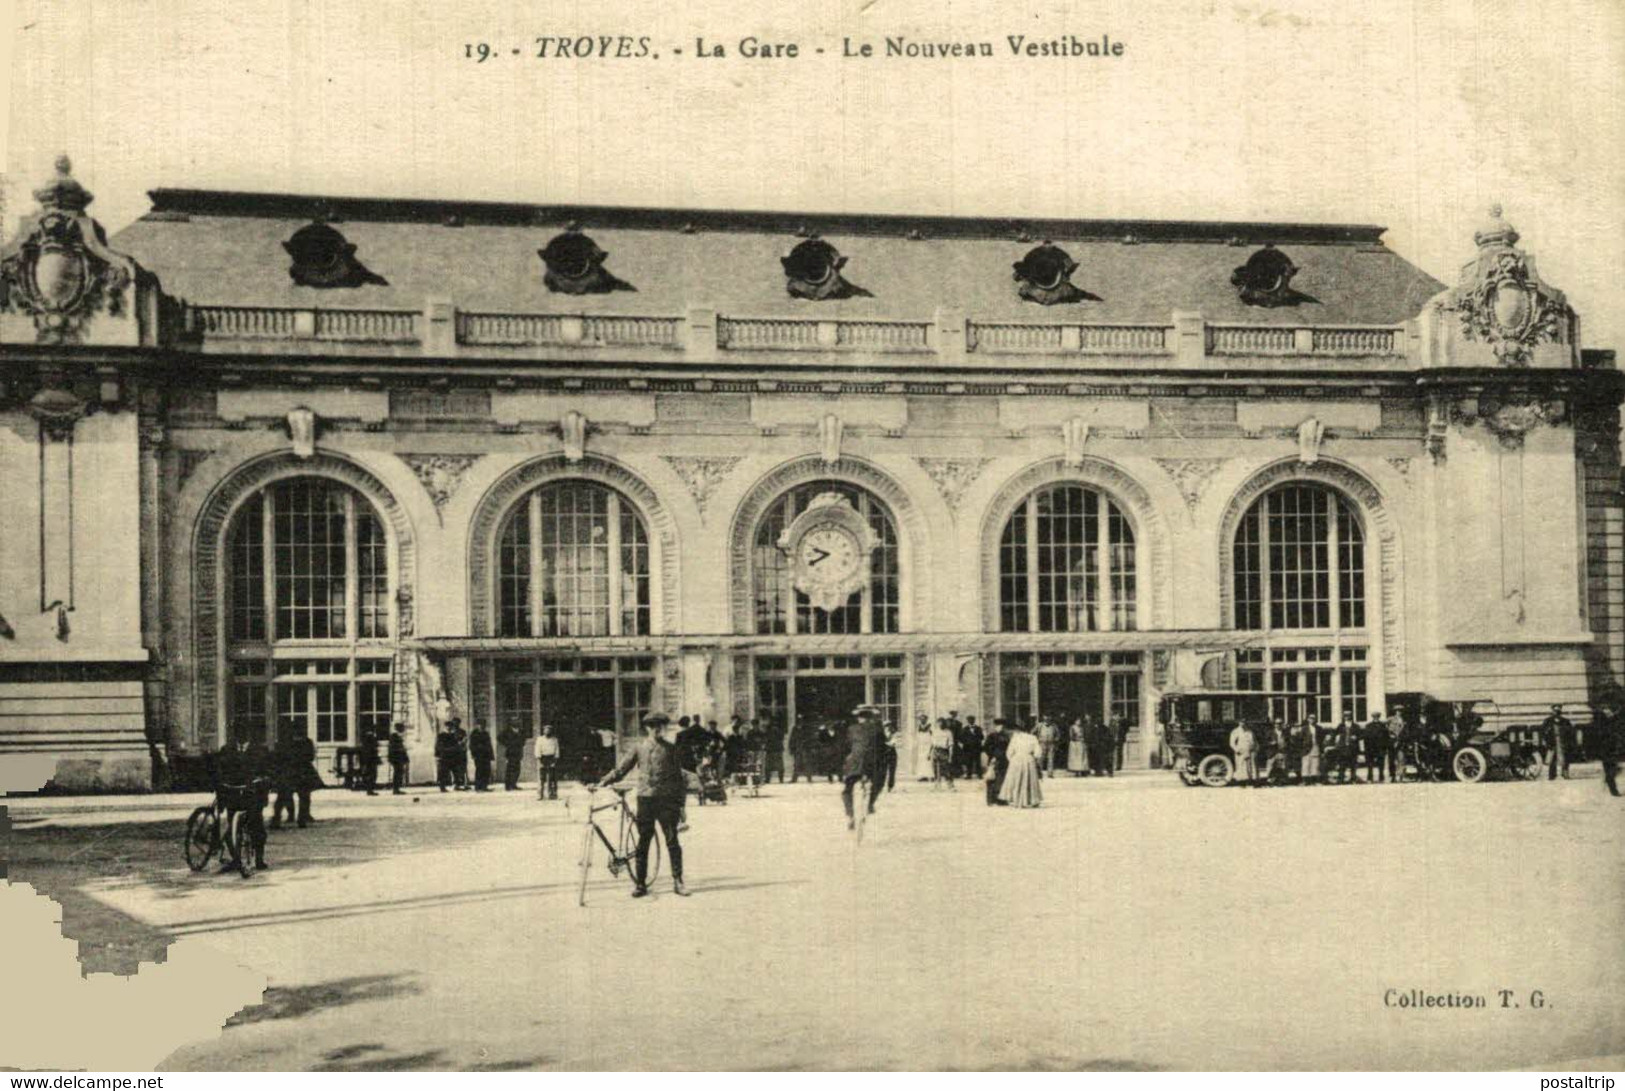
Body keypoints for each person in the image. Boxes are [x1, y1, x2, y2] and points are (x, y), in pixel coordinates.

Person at [597, 712, 688, 898]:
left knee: (672, 841)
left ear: (663, 728)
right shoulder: (639, 748)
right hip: (646, 799)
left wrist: (681, 806)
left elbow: (679, 779)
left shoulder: (671, 749)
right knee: (643, 842)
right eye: (653, 725)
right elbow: (621, 769)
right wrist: (602, 782)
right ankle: (640, 884)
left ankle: (678, 881)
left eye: (660, 725)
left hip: (667, 800)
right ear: (647, 728)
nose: (656, 729)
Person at [215, 731, 270, 873]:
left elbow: (268, 771)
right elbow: (220, 771)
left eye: (243, 731)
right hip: (233, 794)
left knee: (256, 826)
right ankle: (236, 859)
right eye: (237, 732)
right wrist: (221, 790)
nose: (240, 736)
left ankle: (259, 859)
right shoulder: (226, 750)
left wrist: (264, 780)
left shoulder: (260, 750)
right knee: (232, 829)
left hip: (253, 794)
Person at [839, 705, 888, 829]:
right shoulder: (877, 729)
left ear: (859, 718)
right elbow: (883, 747)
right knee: (879, 783)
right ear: (870, 717)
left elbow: (846, 746)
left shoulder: (852, 729)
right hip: (872, 764)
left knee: (846, 790)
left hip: (855, 765)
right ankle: (871, 803)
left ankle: (850, 815)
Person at [271, 726, 318, 826]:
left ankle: (278, 818)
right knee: (304, 796)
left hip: (288, 772)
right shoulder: (307, 742)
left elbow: (276, 758)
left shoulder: (283, 742)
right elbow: (311, 757)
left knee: (283, 796)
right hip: (303, 772)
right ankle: (302, 818)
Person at [998, 721, 1044, 808]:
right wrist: (1034, 758)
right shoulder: (1033, 738)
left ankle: (1015, 799)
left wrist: (1012, 760)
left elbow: (1009, 752)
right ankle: (1031, 800)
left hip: (1017, 759)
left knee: (1016, 780)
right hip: (1028, 759)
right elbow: (1038, 752)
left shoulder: (1015, 738)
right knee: (1029, 780)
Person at [983, 719, 1012, 807]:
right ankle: (990, 800)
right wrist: (992, 756)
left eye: (1002, 726)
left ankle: (1000, 799)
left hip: (1004, 760)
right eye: (998, 726)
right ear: (995, 726)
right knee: (991, 779)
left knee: (1002, 780)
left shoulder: (1007, 736)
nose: (1001, 728)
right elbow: (985, 747)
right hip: (994, 760)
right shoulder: (991, 736)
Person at [1542, 704, 1573, 780]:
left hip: (1562, 741)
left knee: (1565, 758)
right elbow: (1543, 732)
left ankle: (1565, 773)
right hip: (1552, 741)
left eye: (1558, 711)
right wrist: (1546, 741)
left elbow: (1570, 732)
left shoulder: (1566, 721)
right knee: (1552, 758)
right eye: (1555, 711)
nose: (1557, 712)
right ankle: (1552, 774)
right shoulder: (1547, 721)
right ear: (1552, 711)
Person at [1363, 710, 1393, 784]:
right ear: (1372, 717)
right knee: (1370, 764)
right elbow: (1366, 738)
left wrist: (1386, 747)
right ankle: (1370, 778)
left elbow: (1386, 738)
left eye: (1377, 717)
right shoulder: (1368, 726)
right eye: (1374, 717)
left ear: (1379, 717)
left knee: (1381, 763)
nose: (1376, 718)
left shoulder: (1383, 726)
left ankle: (1381, 777)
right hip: (1370, 748)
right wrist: (1366, 748)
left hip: (1380, 747)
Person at [498, 722, 527, 791]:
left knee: (517, 770)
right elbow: (499, 738)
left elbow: (523, 740)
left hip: (518, 753)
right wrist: (507, 744)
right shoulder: (507, 732)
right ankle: (508, 786)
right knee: (510, 770)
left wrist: (522, 743)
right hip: (510, 753)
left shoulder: (520, 731)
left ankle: (514, 784)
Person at [1229, 719, 1258, 787]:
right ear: (1238, 723)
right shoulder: (1235, 731)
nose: (1243, 723)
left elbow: (1255, 741)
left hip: (1251, 751)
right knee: (1241, 767)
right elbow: (1232, 743)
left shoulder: (1250, 731)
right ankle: (1242, 783)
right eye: (1241, 722)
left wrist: (1256, 749)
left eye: (1244, 722)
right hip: (1241, 752)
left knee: (1250, 767)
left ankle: (1251, 781)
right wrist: (1237, 750)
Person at [535, 724, 561, 800]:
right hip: (543, 758)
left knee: (552, 778)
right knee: (541, 778)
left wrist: (555, 760)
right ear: (543, 731)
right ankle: (540, 795)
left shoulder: (554, 739)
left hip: (551, 758)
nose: (547, 731)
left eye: (549, 730)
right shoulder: (540, 739)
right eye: (546, 730)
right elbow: (537, 749)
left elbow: (557, 750)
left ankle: (551, 794)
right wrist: (539, 760)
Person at [930, 717, 956, 789]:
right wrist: (929, 753)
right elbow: (932, 743)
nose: (940, 725)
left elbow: (951, 745)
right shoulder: (935, 731)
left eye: (941, 723)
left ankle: (950, 785)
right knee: (935, 769)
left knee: (946, 768)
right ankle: (937, 785)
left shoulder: (948, 732)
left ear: (944, 723)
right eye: (938, 723)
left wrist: (950, 756)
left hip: (944, 751)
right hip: (935, 751)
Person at [469, 724, 495, 792]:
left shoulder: (486, 733)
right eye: (480, 725)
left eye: (483, 725)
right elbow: (471, 745)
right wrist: (473, 754)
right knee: (479, 771)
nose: (482, 727)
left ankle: (484, 786)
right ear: (477, 725)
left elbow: (489, 745)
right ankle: (478, 787)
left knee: (487, 771)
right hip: (478, 755)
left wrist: (491, 756)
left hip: (486, 755)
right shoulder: (474, 734)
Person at [358, 724, 381, 796]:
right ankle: (370, 790)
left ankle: (370, 789)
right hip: (371, 759)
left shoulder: (365, 737)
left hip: (368, 759)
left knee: (370, 774)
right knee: (372, 775)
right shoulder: (370, 737)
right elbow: (372, 748)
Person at [387, 723, 410, 795]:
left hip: (398, 758)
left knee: (399, 773)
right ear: (399, 729)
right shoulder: (394, 736)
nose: (403, 730)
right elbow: (394, 749)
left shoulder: (397, 736)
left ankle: (397, 788)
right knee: (397, 773)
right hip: (396, 759)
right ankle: (396, 789)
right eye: (402, 729)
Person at [763, 717, 786, 784]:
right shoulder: (768, 730)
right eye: (773, 724)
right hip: (771, 749)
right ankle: (768, 778)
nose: (774, 726)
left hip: (777, 749)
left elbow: (782, 737)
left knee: (779, 766)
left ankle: (781, 779)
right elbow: (766, 738)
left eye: (775, 724)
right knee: (768, 765)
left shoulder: (779, 730)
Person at [911, 714, 935, 781]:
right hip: (921, 746)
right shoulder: (918, 727)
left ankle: (930, 776)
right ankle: (923, 775)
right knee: (921, 760)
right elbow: (917, 736)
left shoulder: (930, 726)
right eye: (921, 719)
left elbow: (932, 736)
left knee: (928, 760)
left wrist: (931, 744)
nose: (922, 720)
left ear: (926, 719)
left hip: (928, 745)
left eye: (923, 719)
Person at [449, 719, 470, 790]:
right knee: (454, 769)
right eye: (454, 723)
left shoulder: (462, 732)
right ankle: (455, 784)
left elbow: (465, 739)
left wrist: (462, 743)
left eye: (457, 723)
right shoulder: (451, 733)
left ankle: (465, 783)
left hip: (462, 752)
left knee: (463, 768)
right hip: (454, 753)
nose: (456, 724)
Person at [1301, 712, 1322, 782]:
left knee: (1315, 764)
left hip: (1315, 747)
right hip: (1306, 748)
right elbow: (1300, 739)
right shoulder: (1304, 728)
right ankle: (1305, 781)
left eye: (1314, 718)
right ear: (1308, 719)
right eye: (1311, 718)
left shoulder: (1319, 728)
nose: (1312, 720)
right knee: (1306, 764)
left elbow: (1321, 739)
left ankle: (1314, 780)